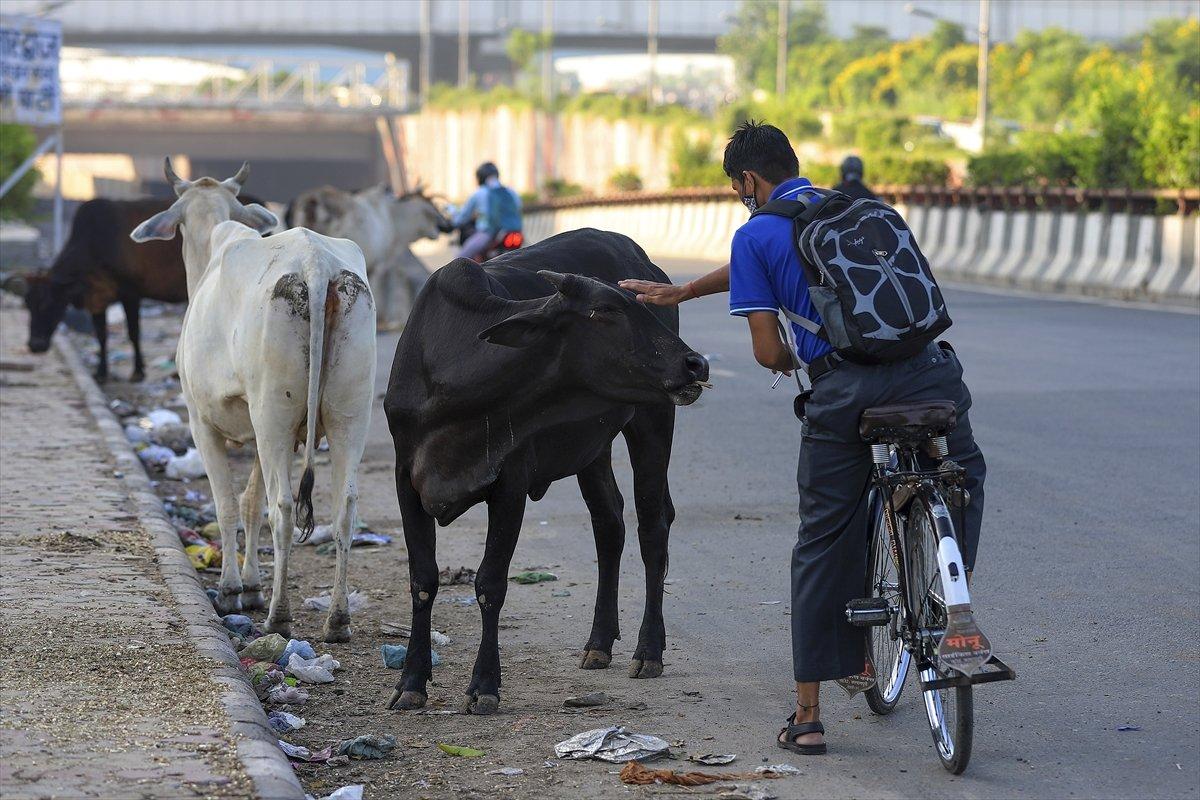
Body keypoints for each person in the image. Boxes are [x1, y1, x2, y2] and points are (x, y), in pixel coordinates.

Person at [620, 121, 986, 756]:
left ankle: (809, 716)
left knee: (821, 538)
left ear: (748, 181)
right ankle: (942, 594)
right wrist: (686, 290)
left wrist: (791, 354)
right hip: (934, 377)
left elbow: (766, 349)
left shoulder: (754, 233)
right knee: (966, 475)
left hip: (848, 394)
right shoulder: (863, 209)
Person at [452, 162, 523, 262]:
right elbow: (519, 207)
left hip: (489, 234)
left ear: (480, 177)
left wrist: (453, 222)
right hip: (516, 234)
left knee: (460, 260)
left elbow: (463, 216)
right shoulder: (511, 191)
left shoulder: (479, 193)